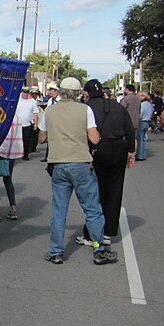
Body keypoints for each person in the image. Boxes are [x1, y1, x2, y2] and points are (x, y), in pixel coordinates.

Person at [38, 77, 118, 266]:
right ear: (78, 93)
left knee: (59, 211)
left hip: (58, 164)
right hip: (81, 163)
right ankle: (99, 248)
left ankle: (56, 251)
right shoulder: (85, 110)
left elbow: (42, 138)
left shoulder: (49, 111)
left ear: (61, 91)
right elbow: (95, 139)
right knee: (92, 209)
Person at [76, 79, 135, 246]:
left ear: (86, 93)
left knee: (95, 192)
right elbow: (129, 130)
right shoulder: (117, 106)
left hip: (97, 150)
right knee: (115, 190)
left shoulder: (86, 109)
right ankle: (109, 231)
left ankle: (91, 234)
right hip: (119, 148)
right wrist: (131, 152)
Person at [15, 85, 39, 160]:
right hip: (18, 124)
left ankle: (25, 155)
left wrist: (35, 124)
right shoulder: (17, 101)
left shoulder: (32, 102)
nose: (25, 94)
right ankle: (17, 154)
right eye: (24, 92)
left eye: (27, 92)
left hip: (28, 124)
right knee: (18, 141)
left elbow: (35, 113)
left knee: (27, 141)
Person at [136, 91, 154, 161]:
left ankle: (140, 155)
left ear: (143, 96)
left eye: (139, 96)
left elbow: (141, 114)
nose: (137, 97)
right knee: (143, 139)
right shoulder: (149, 104)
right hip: (147, 121)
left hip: (142, 121)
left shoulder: (142, 104)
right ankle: (143, 154)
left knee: (140, 139)